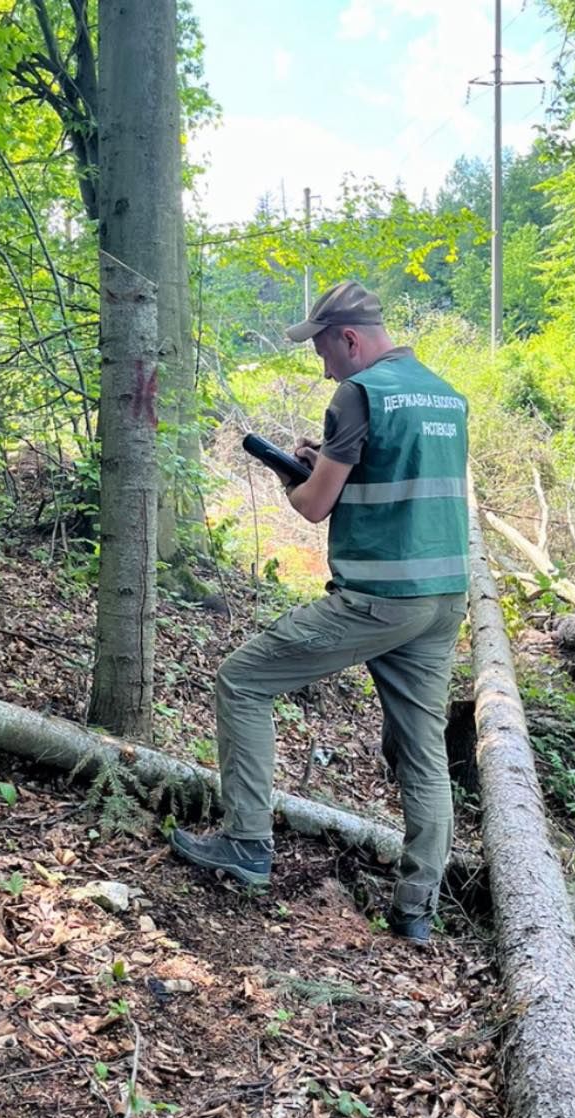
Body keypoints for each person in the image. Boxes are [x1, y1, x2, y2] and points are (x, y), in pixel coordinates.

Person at [169, 281, 469, 944]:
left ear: (350, 338)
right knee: (421, 752)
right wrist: (330, 461)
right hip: (443, 600)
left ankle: (246, 843)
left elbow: (312, 507)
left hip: (377, 600)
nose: (323, 366)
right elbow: (402, 485)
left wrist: (293, 473)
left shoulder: (359, 394)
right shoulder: (445, 395)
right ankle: (416, 910)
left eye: (325, 350)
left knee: (241, 681)